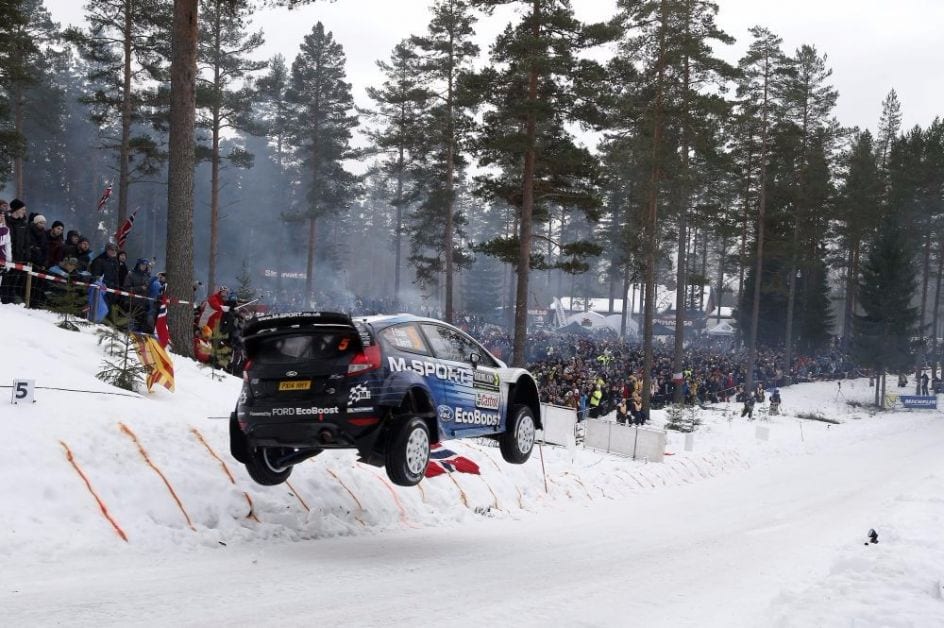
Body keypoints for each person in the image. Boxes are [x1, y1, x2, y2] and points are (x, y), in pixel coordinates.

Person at [124, 258, 152, 331]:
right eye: (142, 265)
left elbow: (147, 289)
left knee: (142, 325)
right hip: (132, 304)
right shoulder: (131, 274)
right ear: (138, 265)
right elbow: (127, 288)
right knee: (131, 325)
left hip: (143, 304)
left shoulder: (147, 276)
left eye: (145, 265)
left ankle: (139, 340)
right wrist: (140, 288)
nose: (144, 266)